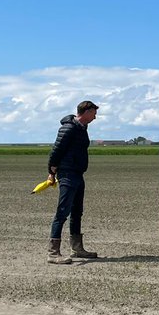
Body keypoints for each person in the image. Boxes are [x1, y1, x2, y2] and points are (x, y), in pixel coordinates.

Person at [45, 100, 100, 264]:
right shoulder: (68, 128)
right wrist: (51, 172)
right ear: (87, 111)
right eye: (94, 113)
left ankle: (77, 249)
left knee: (77, 211)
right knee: (63, 211)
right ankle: (53, 253)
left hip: (78, 173)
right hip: (67, 174)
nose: (95, 117)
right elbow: (56, 150)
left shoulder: (82, 128)